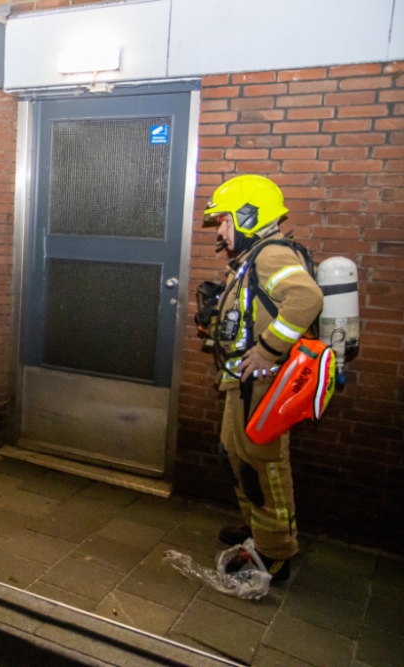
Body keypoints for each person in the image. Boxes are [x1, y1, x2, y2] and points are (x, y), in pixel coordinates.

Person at [203, 174, 323, 581]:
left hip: (263, 381)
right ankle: (256, 528)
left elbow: (307, 299)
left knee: (262, 464)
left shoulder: (271, 255)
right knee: (232, 455)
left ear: (248, 216)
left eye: (223, 220)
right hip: (242, 378)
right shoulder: (252, 257)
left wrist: (269, 347)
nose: (219, 228)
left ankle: (275, 552)